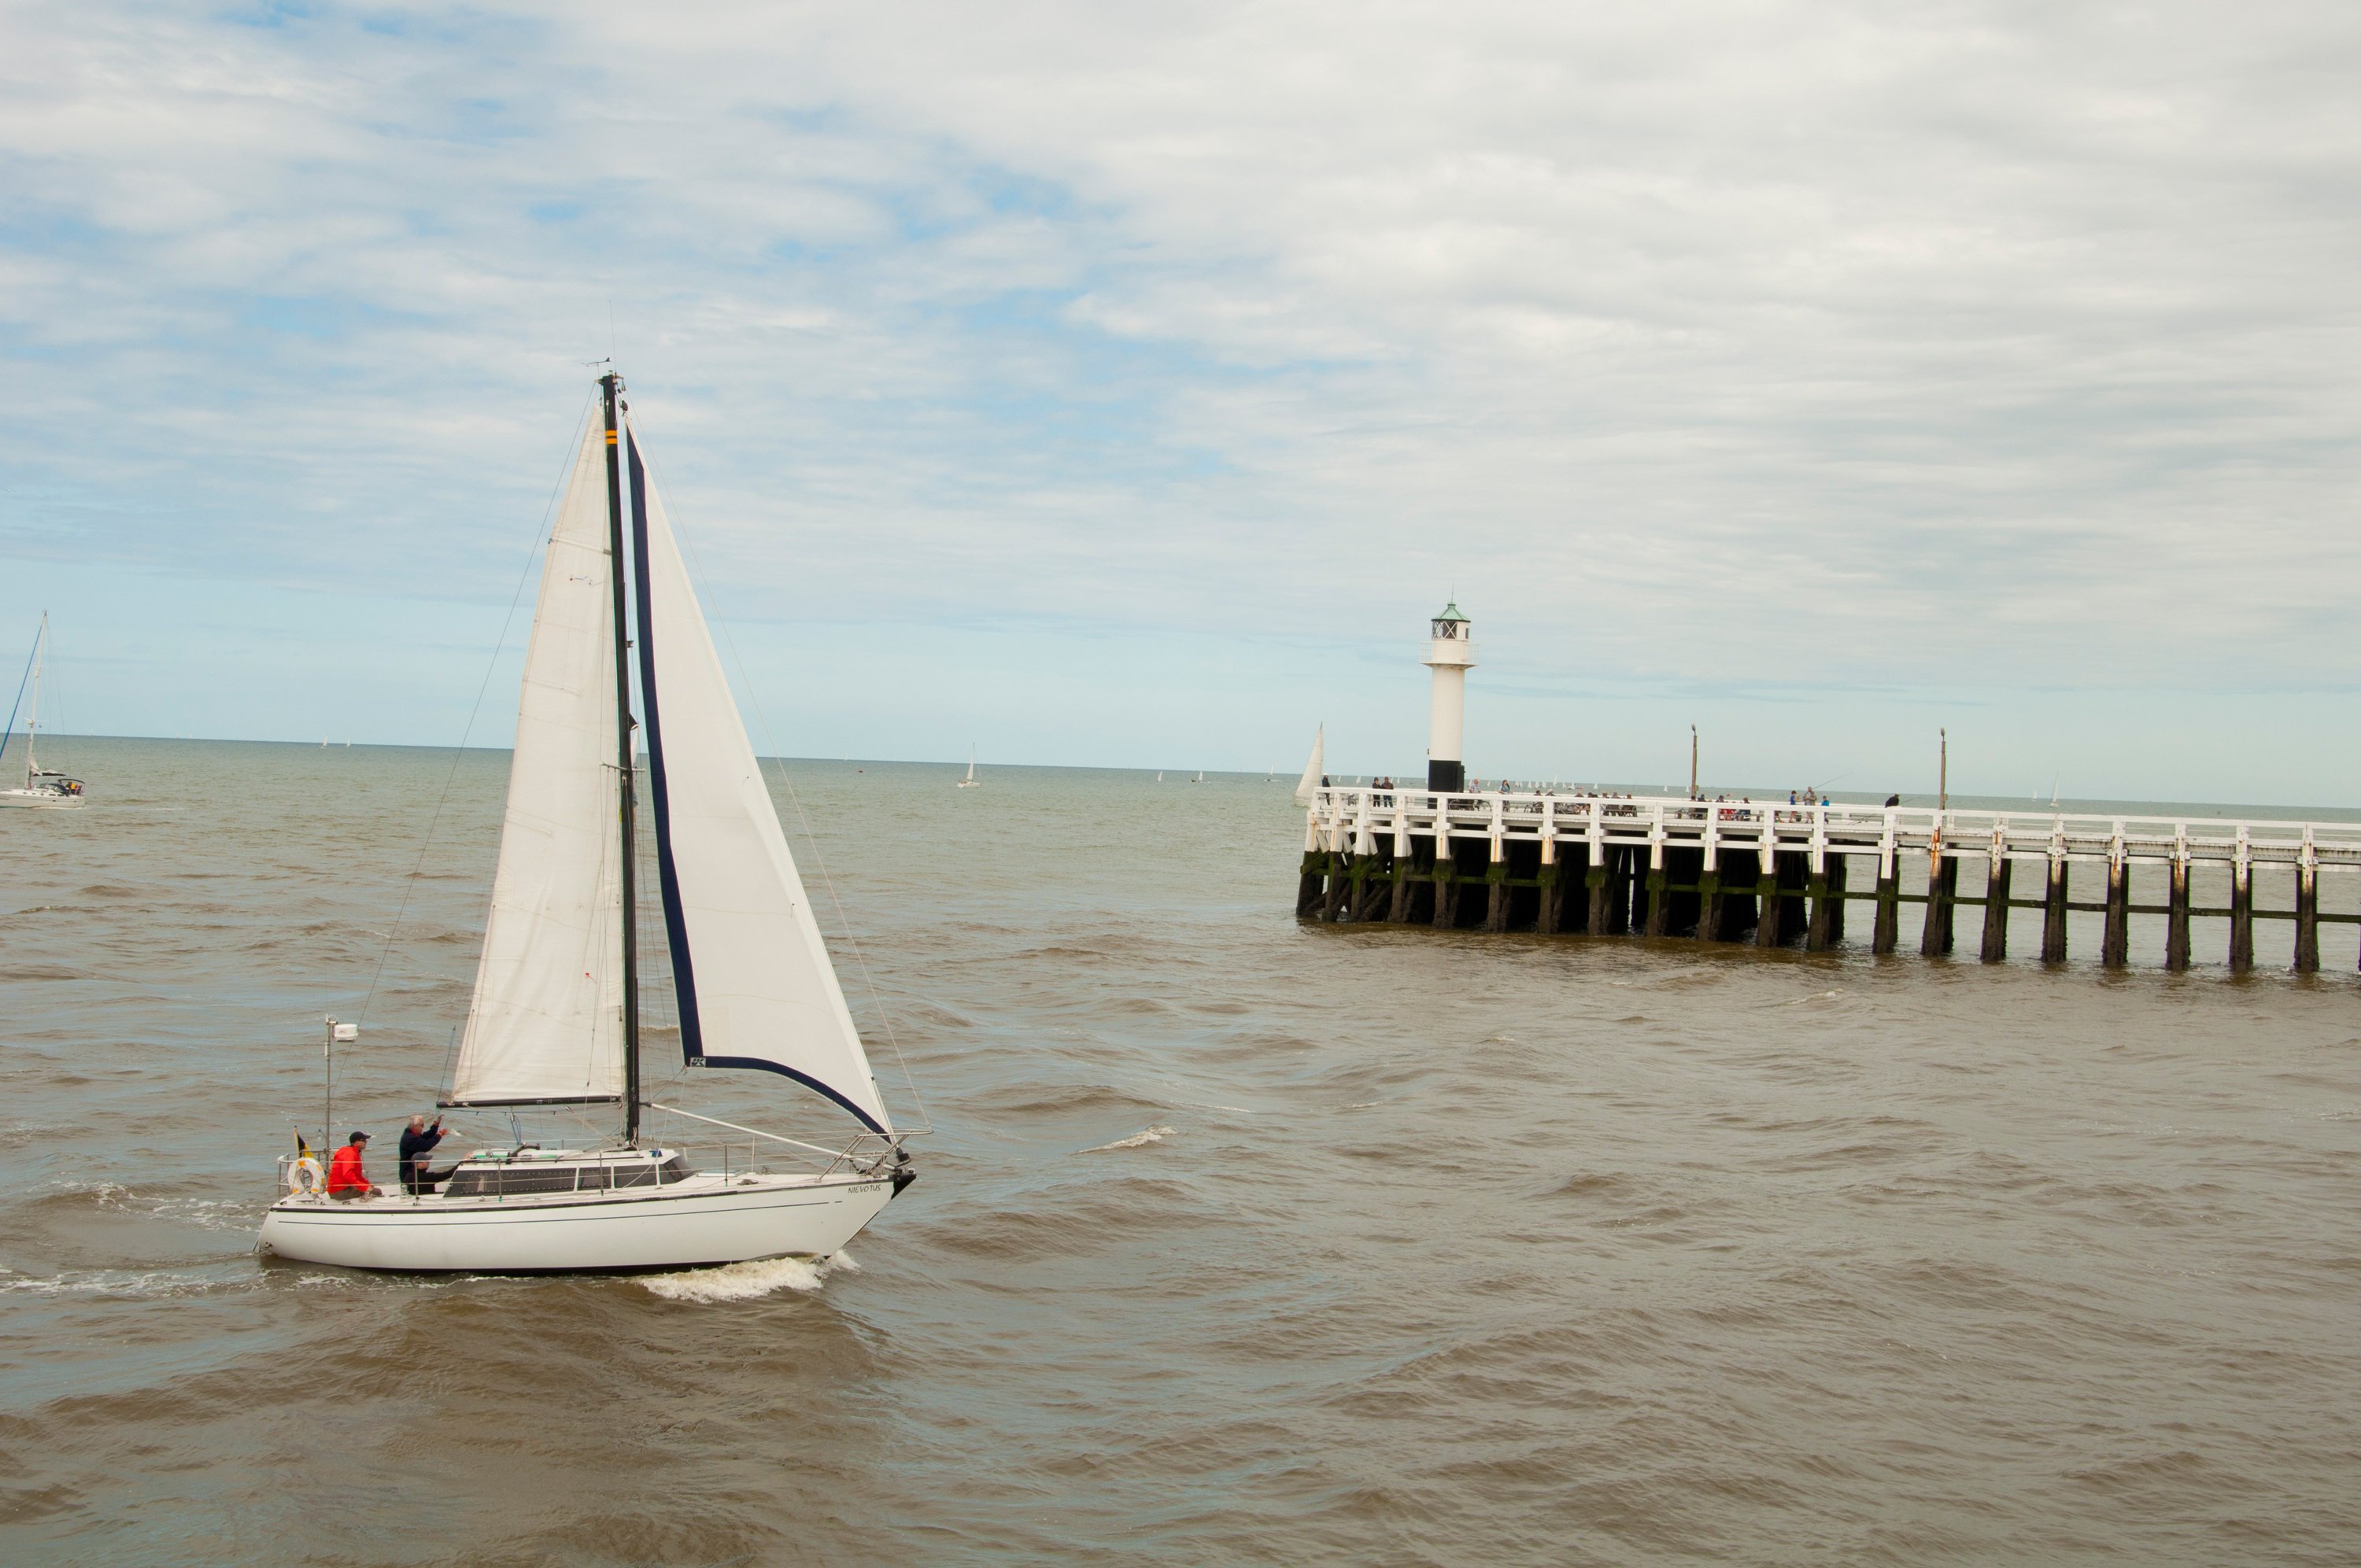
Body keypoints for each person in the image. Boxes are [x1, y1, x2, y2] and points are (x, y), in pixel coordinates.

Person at [398, 1114, 447, 1196]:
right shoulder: (409, 1139)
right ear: (415, 1126)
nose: (423, 1127)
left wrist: (436, 1125)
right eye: (422, 1125)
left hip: (415, 1170)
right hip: (408, 1172)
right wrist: (439, 1135)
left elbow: (426, 1136)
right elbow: (426, 1145)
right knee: (415, 1191)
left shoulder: (412, 1134)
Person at [327, 1131, 378, 1199]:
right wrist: (365, 1188)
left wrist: (369, 1185)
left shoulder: (352, 1151)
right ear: (357, 1142)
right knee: (377, 1192)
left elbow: (358, 1176)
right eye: (364, 1140)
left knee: (374, 1190)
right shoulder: (350, 1154)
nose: (366, 1141)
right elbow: (348, 1174)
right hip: (340, 1192)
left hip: (340, 1189)